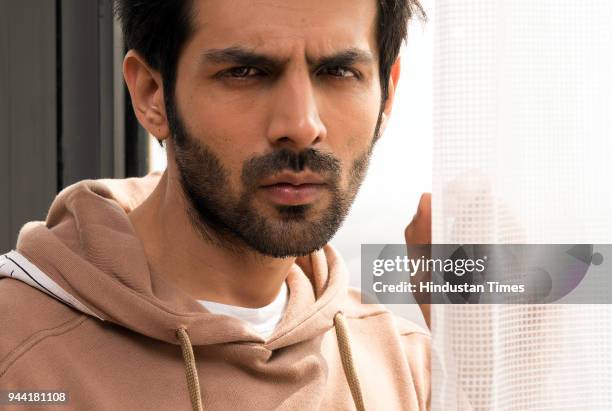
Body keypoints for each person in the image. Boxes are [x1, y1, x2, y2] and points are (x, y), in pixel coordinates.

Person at [0, 0, 431, 409]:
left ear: (387, 96)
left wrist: (478, 322)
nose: (302, 126)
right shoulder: (16, 358)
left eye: (339, 71)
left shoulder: (409, 369)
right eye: (245, 72)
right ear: (152, 94)